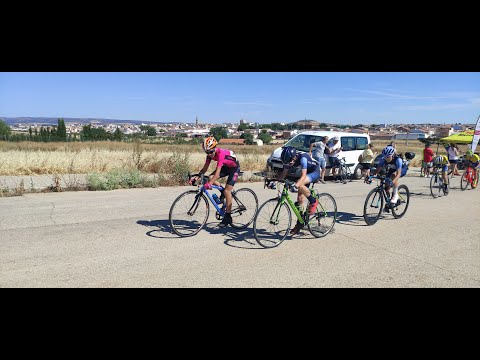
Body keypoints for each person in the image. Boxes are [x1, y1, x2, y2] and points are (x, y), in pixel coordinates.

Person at [191, 136, 240, 228]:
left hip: (234, 168)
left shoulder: (221, 153)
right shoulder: (209, 156)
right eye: (207, 152)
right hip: (226, 167)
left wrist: (209, 184)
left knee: (227, 191)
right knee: (210, 177)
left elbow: (217, 174)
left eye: (210, 152)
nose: (209, 154)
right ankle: (223, 192)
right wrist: (197, 177)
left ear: (214, 148)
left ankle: (228, 217)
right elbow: (205, 169)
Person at [275, 146, 320, 235]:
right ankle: (300, 223)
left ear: (295, 157)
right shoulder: (288, 159)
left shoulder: (303, 158)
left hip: (314, 172)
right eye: (287, 162)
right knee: (299, 199)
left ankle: (313, 201)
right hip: (305, 174)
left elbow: (303, 176)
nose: (289, 163)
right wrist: (274, 181)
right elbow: (283, 174)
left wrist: (296, 185)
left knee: (300, 185)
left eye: (291, 161)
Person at [372, 146, 407, 212]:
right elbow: (378, 170)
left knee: (393, 176)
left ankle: (395, 195)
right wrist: (371, 176)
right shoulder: (383, 159)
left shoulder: (398, 160)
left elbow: (398, 174)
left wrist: (393, 182)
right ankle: (389, 203)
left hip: (402, 169)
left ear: (392, 155)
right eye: (385, 157)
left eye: (388, 157)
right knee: (386, 186)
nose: (386, 158)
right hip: (393, 168)